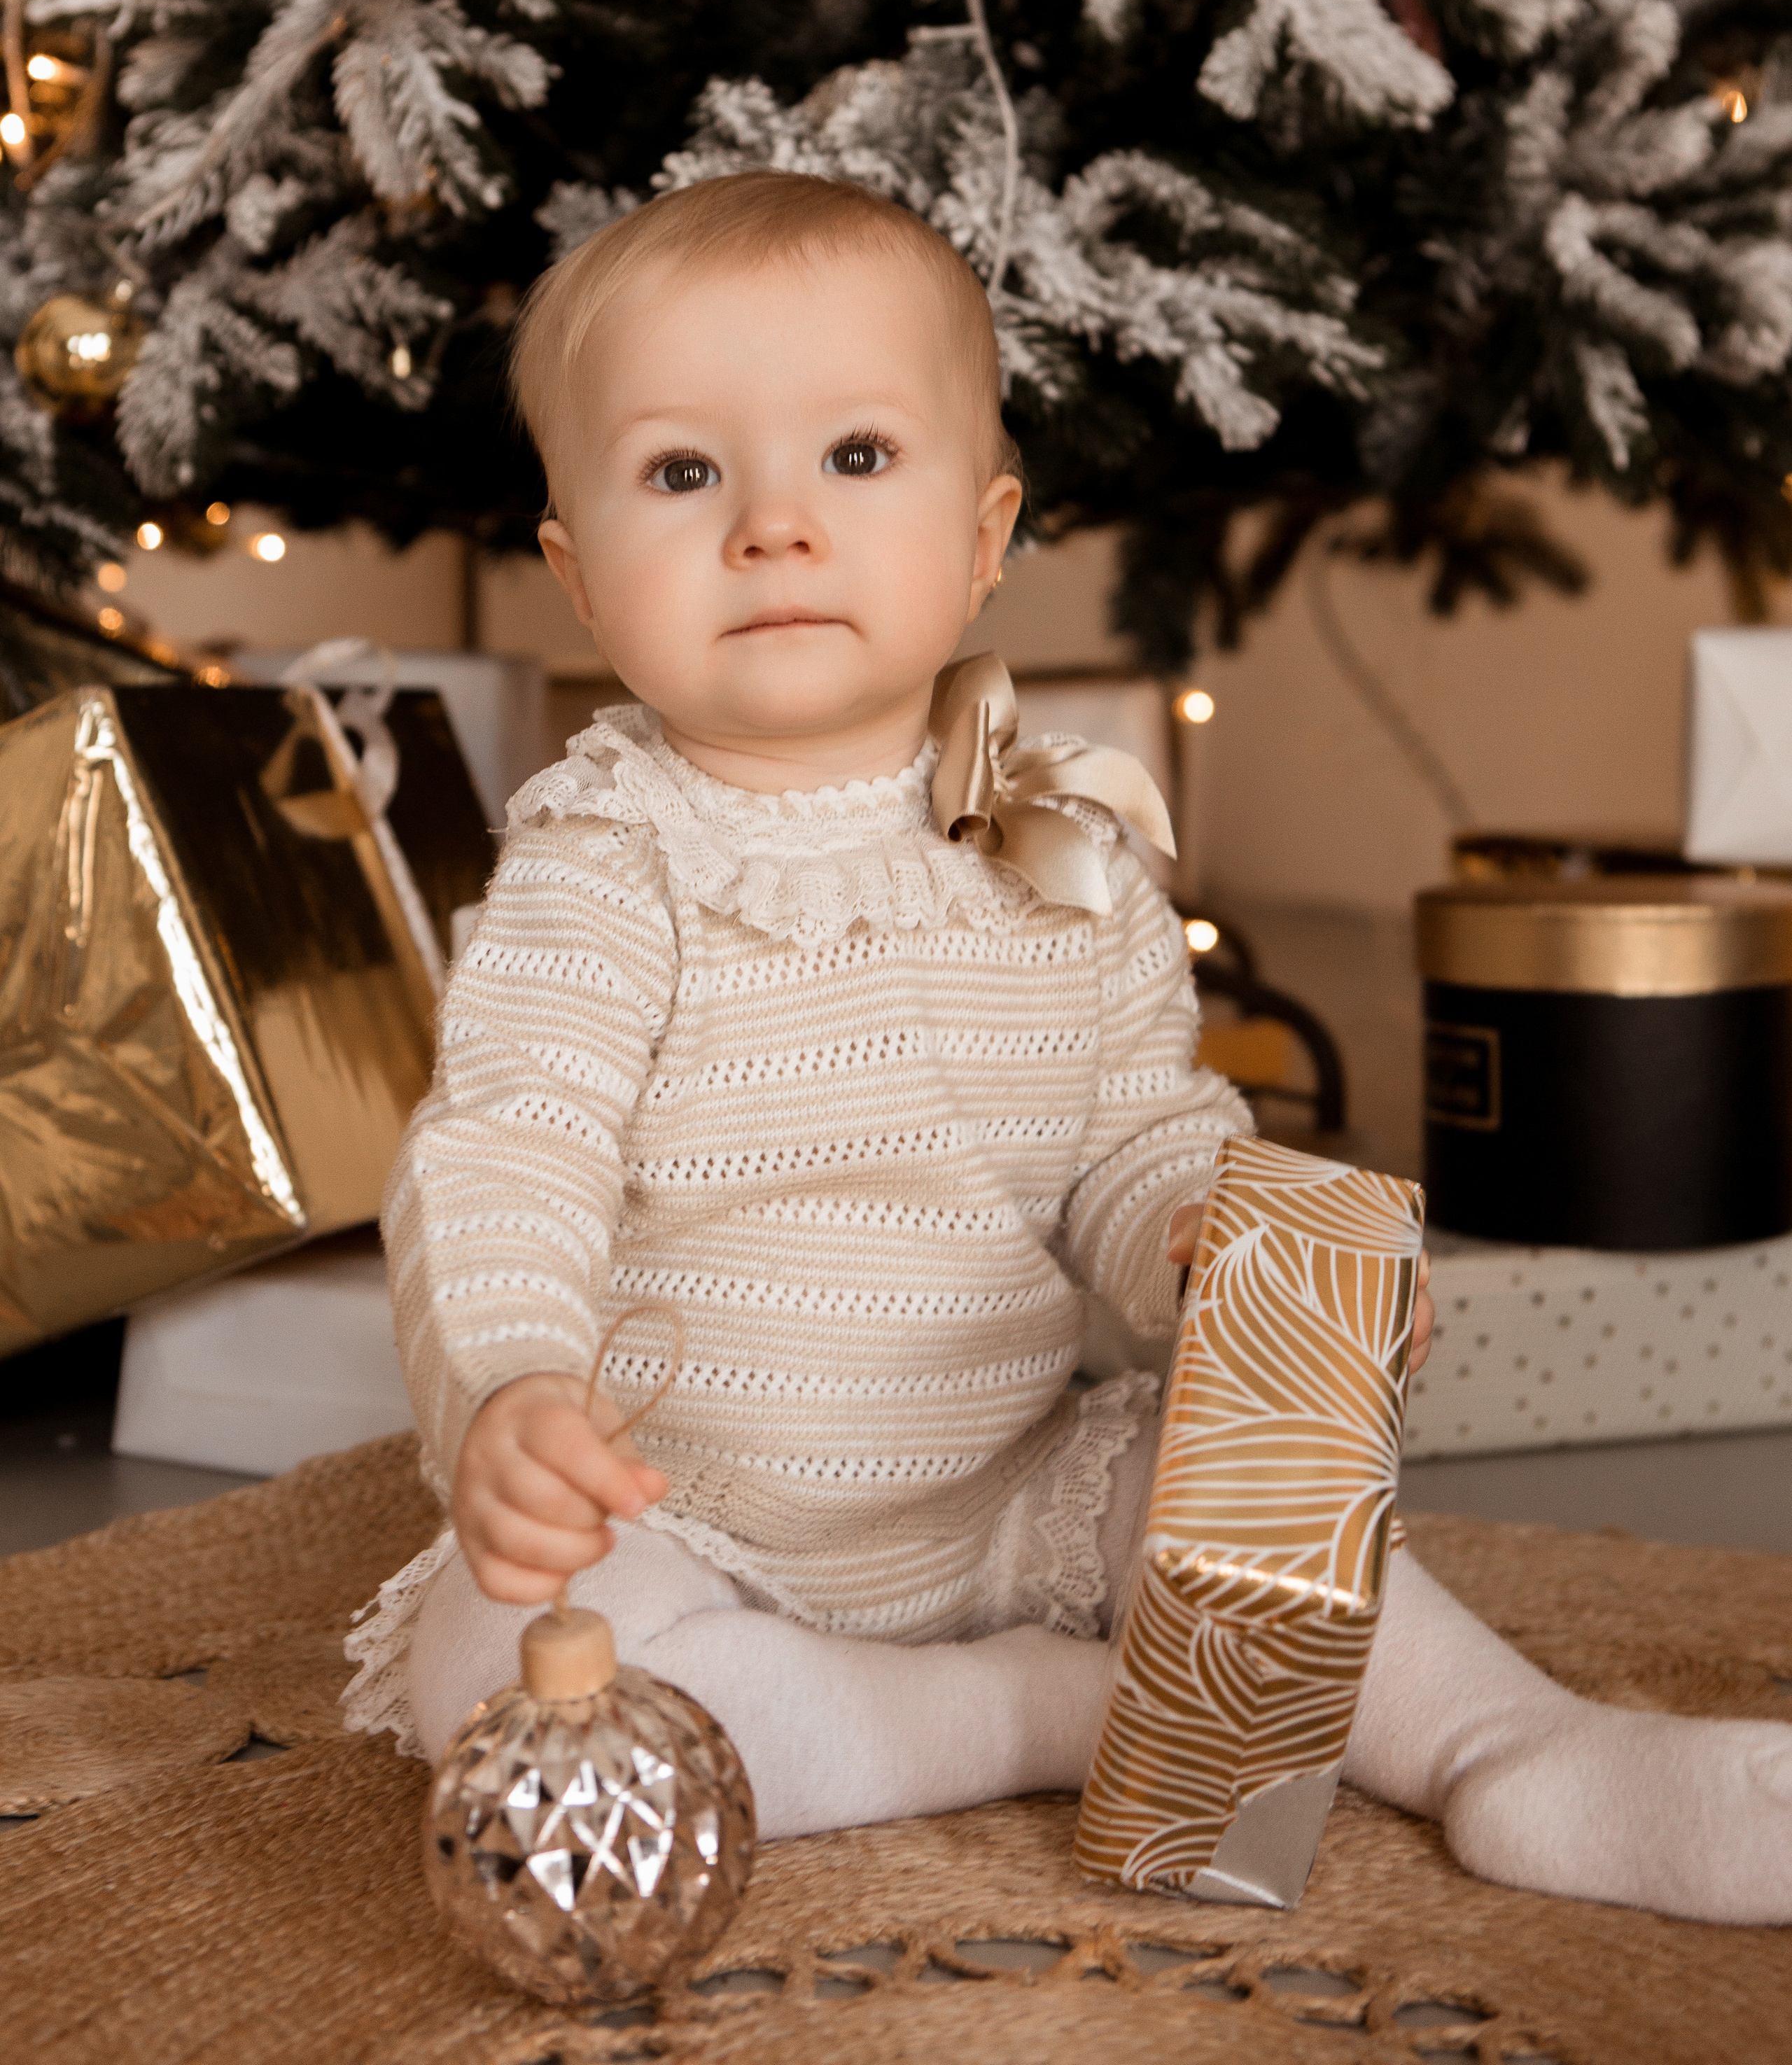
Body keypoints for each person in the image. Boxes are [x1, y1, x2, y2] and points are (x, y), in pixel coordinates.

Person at [345, 171, 1791, 1924]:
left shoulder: (1057, 849)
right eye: (680, 473)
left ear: (983, 536)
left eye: (854, 456)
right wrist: (510, 1386)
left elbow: (1132, 1136)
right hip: (688, 1511)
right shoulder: (604, 858)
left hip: (1010, 1496)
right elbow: (509, 1152)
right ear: (578, 575)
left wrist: (1218, 1247)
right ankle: (1039, 1714)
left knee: (1241, 1489)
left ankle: (1522, 1751)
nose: (773, 527)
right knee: (507, 1683)